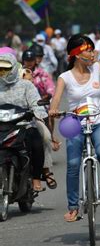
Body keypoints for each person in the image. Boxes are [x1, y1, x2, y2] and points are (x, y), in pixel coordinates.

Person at [49, 9, 100, 222]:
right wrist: (54, 110)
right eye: (88, 51)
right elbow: (56, 100)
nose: (93, 54)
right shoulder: (65, 77)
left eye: (93, 50)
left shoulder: (97, 69)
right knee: (73, 164)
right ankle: (73, 206)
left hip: (98, 121)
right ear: (76, 54)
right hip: (74, 124)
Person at [0, 50, 46, 192]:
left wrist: (37, 112)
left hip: (24, 125)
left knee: (38, 142)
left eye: (6, 68)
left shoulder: (26, 85)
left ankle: (36, 177)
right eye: (1, 69)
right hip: (2, 126)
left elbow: (35, 102)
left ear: (14, 68)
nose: (3, 72)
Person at [22, 49, 59, 189]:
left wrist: (45, 98)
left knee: (45, 137)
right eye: (27, 60)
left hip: (36, 111)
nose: (30, 63)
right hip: (14, 115)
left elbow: (50, 89)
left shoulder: (41, 74)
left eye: (32, 60)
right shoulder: (16, 75)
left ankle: (46, 170)